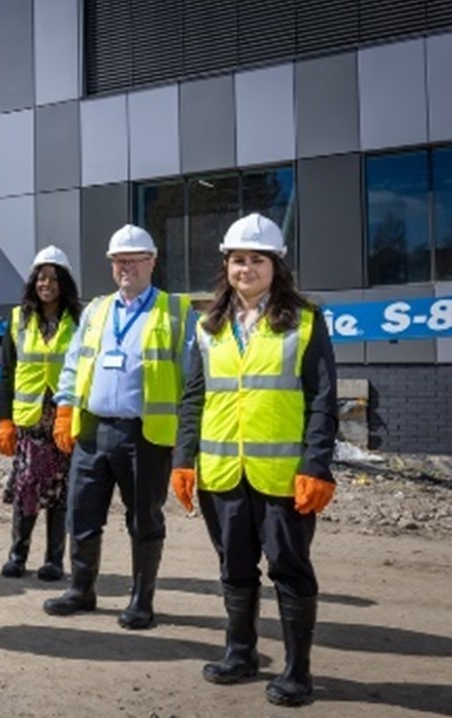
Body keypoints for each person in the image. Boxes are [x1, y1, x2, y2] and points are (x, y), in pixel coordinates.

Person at [170, 213, 337, 707]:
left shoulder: (305, 321)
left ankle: (297, 671)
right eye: (238, 259)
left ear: (276, 266)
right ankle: (240, 653)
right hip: (222, 472)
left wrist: (316, 465)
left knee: (290, 568)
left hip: (283, 475)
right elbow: (193, 397)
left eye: (256, 260)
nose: (246, 268)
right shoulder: (208, 326)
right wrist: (184, 459)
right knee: (234, 566)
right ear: (227, 266)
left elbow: (324, 399)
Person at [46, 224, 194, 630]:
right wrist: (64, 409)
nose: (125, 267)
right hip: (93, 430)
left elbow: (192, 377)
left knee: (144, 518)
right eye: (118, 261)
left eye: (133, 259)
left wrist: (187, 442)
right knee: (82, 513)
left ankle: (141, 600)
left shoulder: (177, 312)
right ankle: (81, 589)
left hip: (145, 434)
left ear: (152, 262)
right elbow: (75, 364)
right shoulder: (96, 310)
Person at [0, 246, 82, 581]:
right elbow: (7, 371)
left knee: (60, 489)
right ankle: (18, 555)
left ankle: (54, 560)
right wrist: (3, 420)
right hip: (30, 418)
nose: (46, 284)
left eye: (53, 278)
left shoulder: (79, 320)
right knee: (27, 485)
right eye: (41, 278)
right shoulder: (19, 319)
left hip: (63, 417)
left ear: (64, 283)